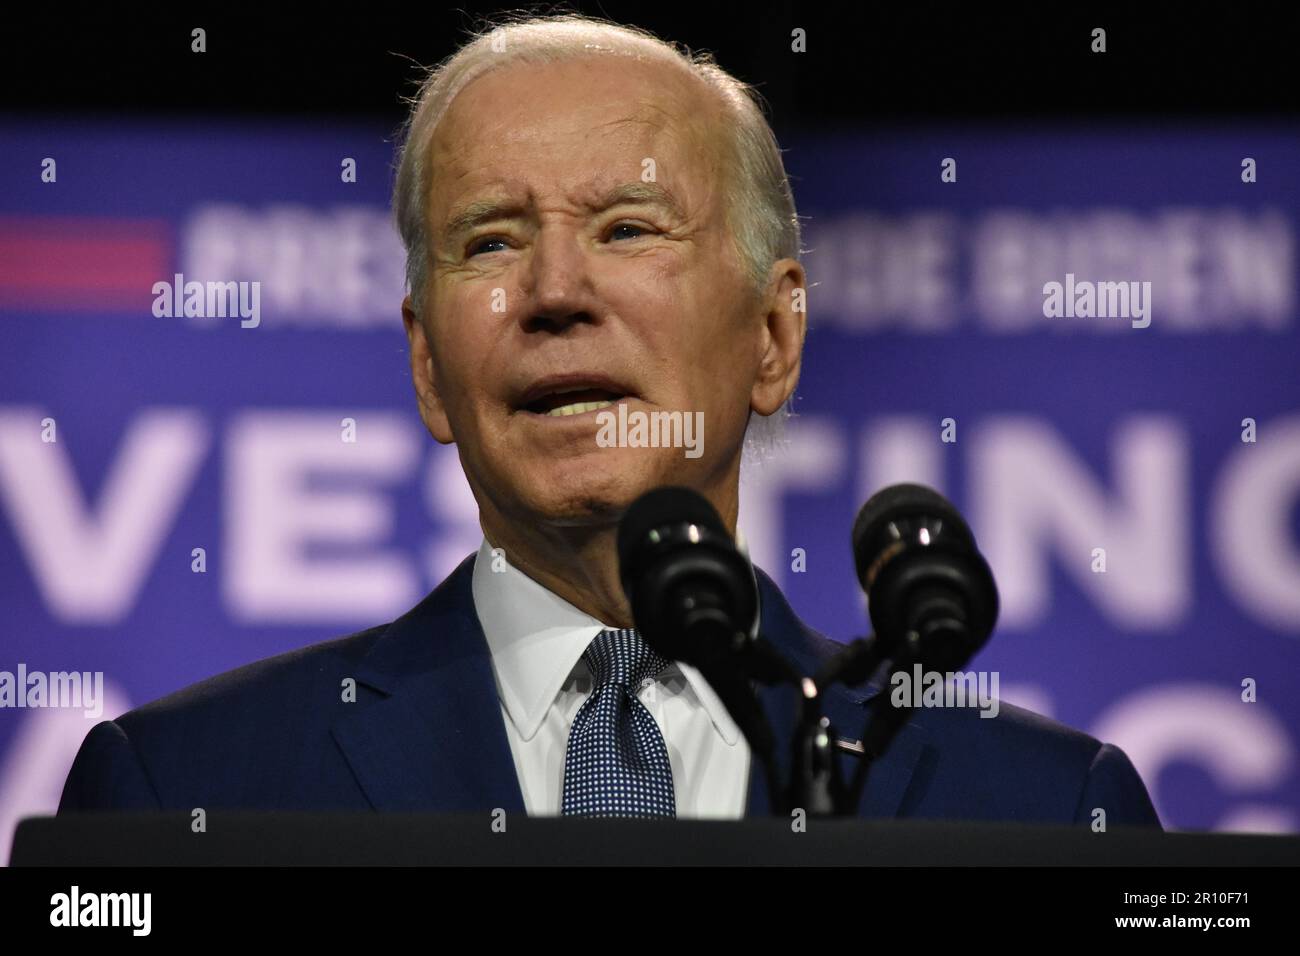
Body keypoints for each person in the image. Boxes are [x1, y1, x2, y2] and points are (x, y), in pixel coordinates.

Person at [59, 14, 1161, 827]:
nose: (552, 291)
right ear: (427, 365)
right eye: (489, 241)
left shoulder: (1040, 807)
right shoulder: (183, 793)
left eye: (628, 229)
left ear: (772, 337)